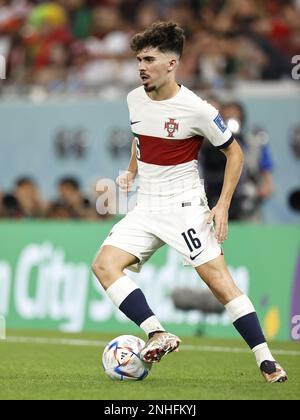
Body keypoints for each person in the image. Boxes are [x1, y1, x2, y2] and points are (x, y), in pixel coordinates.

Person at [92, 22, 287, 383]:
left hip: (184, 208)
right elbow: (140, 138)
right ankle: (156, 332)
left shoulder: (197, 109)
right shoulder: (134, 98)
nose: (141, 66)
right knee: (104, 266)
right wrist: (132, 172)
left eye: (149, 59)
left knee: (220, 283)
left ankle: (267, 360)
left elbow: (236, 154)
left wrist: (223, 205)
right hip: (146, 206)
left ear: (172, 63)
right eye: (138, 58)